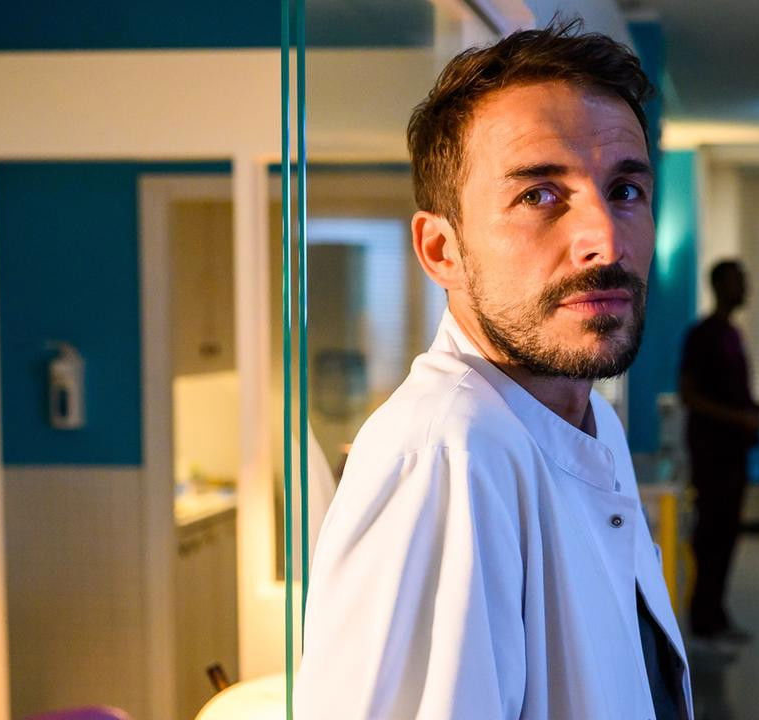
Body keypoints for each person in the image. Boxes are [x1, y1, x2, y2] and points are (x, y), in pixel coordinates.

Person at [294, 21, 692, 720]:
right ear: (441, 250)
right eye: (539, 195)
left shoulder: (588, 420)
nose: (604, 239)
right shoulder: (447, 455)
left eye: (626, 190)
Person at [678, 260, 759, 651]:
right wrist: (737, 417)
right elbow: (690, 395)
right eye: (737, 281)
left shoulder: (732, 334)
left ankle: (717, 615)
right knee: (710, 537)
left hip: (734, 452)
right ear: (719, 286)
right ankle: (703, 622)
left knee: (727, 536)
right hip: (712, 454)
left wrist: (752, 410)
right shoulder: (703, 334)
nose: (744, 287)